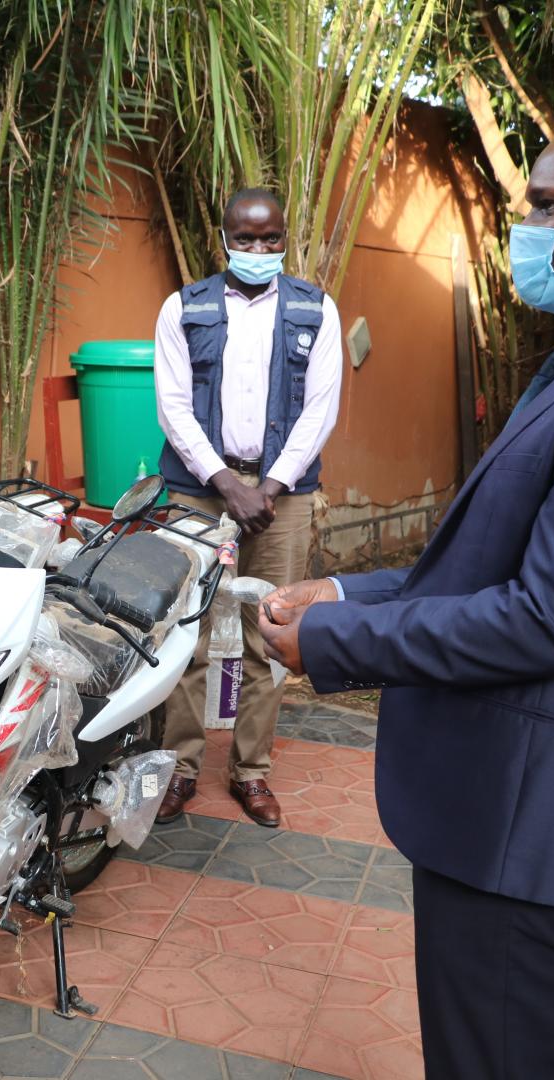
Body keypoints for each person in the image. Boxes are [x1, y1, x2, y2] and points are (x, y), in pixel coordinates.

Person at [256, 116, 554, 1077]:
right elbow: (497, 567)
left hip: (535, 818)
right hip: (508, 807)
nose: (530, 232)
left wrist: (340, 643)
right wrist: (345, 586)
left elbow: (551, 617)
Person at [151, 187, 344, 827]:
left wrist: (272, 485)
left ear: (285, 239)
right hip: (197, 489)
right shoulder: (184, 307)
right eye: (246, 239)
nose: (258, 250)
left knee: (272, 627)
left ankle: (251, 771)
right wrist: (224, 482)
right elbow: (173, 405)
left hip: (281, 496)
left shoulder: (316, 310)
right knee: (188, 631)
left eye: (270, 240)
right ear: (224, 237)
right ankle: (177, 768)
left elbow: (321, 407)